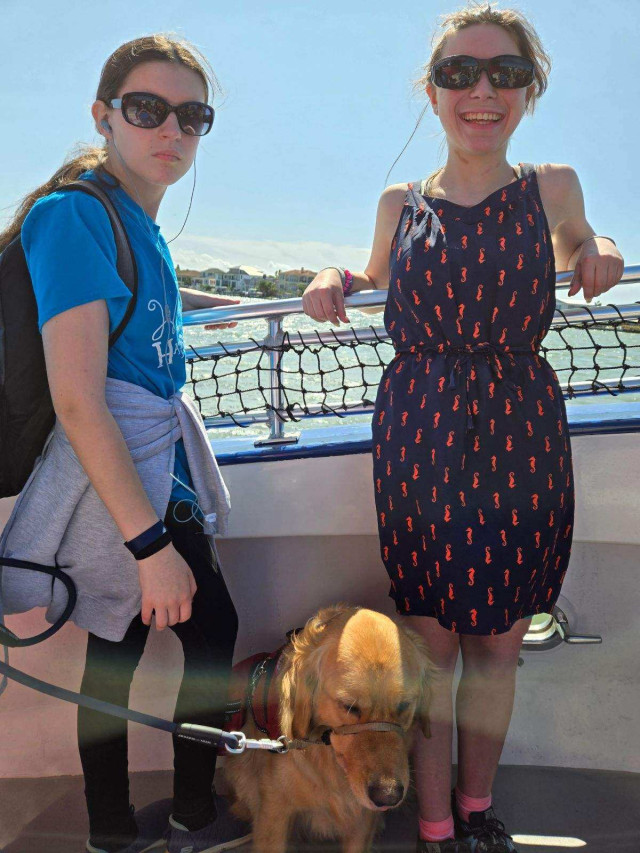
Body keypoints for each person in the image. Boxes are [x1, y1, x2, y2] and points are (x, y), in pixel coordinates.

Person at [302, 5, 624, 852]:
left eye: (505, 74)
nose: (482, 91)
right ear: (434, 90)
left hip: (521, 436)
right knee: (432, 659)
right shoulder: (397, 202)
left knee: (496, 653)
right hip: (421, 440)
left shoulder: (550, 185)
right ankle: (437, 824)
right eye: (459, 73)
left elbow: (587, 240)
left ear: (528, 90)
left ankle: (478, 814)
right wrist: (331, 274)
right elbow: (368, 276)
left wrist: (603, 249)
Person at [0, 35, 250, 853]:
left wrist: (317, 290)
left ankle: (134, 824)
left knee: (136, 650)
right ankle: (159, 819)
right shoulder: (74, 214)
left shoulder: (138, 223)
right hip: (120, 485)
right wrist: (149, 547)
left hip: (153, 471)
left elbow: (162, 308)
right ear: (105, 116)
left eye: (192, 116)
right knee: (173, 643)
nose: (170, 130)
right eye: (148, 110)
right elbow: (78, 398)